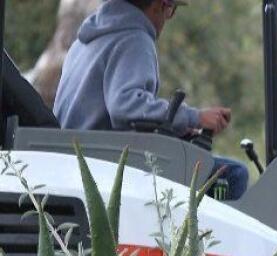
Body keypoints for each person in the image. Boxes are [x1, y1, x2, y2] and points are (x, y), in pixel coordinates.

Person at [53, 0, 250, 200]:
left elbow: (106, 114)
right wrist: (195, 118)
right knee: (233, 174)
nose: (167, 18)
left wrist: (174, 128)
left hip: (72, 161)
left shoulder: (82, 43)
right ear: (158, 5)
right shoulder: (134, 39)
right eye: (170, 9)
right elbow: (125, 106)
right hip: (107, 166)